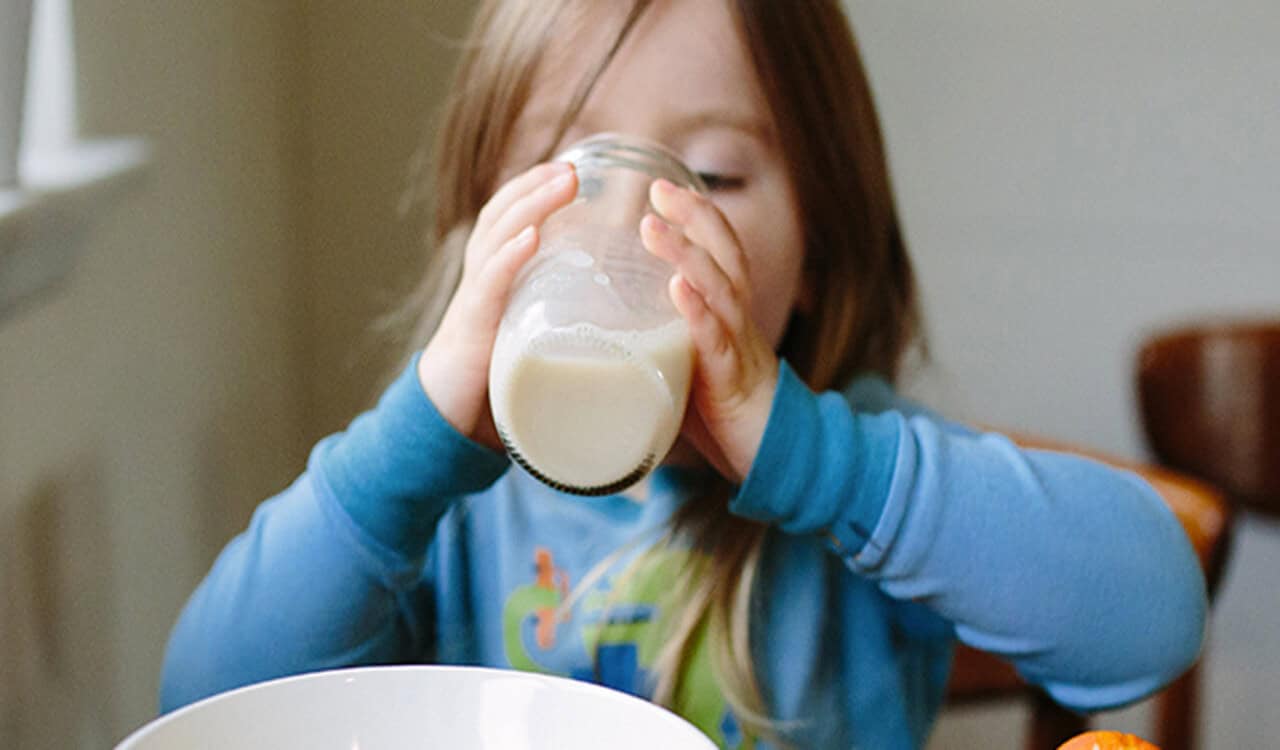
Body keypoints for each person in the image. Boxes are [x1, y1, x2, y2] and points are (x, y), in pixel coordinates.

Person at [160, 1, 1208, 747]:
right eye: (564, 173)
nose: (627, 230)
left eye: (708, 177)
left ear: (818, 251)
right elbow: (199, 701)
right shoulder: (447, 521)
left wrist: (821, 462)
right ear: (485, 228)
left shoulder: (852, 487)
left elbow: (1151, 616)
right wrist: (411, 450)